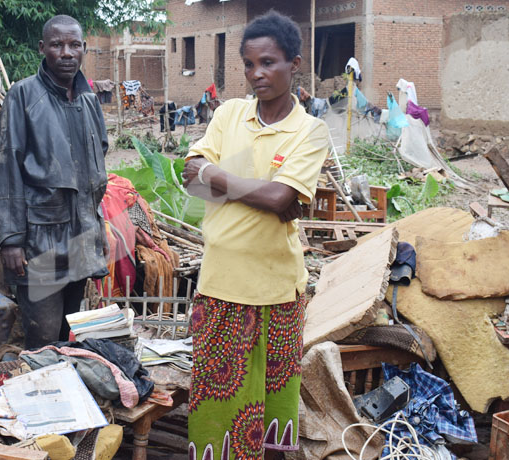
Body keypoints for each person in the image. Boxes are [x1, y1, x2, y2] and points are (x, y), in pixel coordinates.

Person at [181, 11, 330, 460]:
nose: (256, 74)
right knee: (213, 412)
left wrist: (219, 177)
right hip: (219, 285)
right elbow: (191, 179)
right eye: (248, 65)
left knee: (272, 419)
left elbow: (282, 197)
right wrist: (263, 193)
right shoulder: (229, 114)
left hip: (276, 293)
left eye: (268, 62)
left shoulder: (309, 131)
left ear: (295, 63)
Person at [0, 15, 109, 350]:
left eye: (74, 45)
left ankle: (64, 399)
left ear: (84, 49)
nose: (67, 53)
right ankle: (38, 398)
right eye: (57, 45)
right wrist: (11, 239)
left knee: (67, 333)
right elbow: (5, 166)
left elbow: (97, 171)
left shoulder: (88, 101)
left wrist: (98, 228)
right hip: (39, 242)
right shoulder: (23, 95)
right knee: (42, 338)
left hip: (80, 236)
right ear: (43, 49)